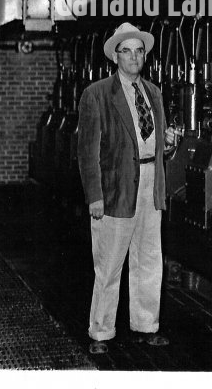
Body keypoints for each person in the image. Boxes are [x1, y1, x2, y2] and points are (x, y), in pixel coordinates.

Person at [76, 22, 178, 355]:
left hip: (150, 184)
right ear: (115, 56)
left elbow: (157, 146)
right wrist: (95, 196)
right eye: (127, 51)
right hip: (115, 190)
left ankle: (146, 325)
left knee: (149, 260)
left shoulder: (154, 93)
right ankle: (101, 331)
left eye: (139, 51)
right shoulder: (97, 94)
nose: (134, 57)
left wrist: (168, 143)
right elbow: (87, 152)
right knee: (109, 264)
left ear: (145, 56)